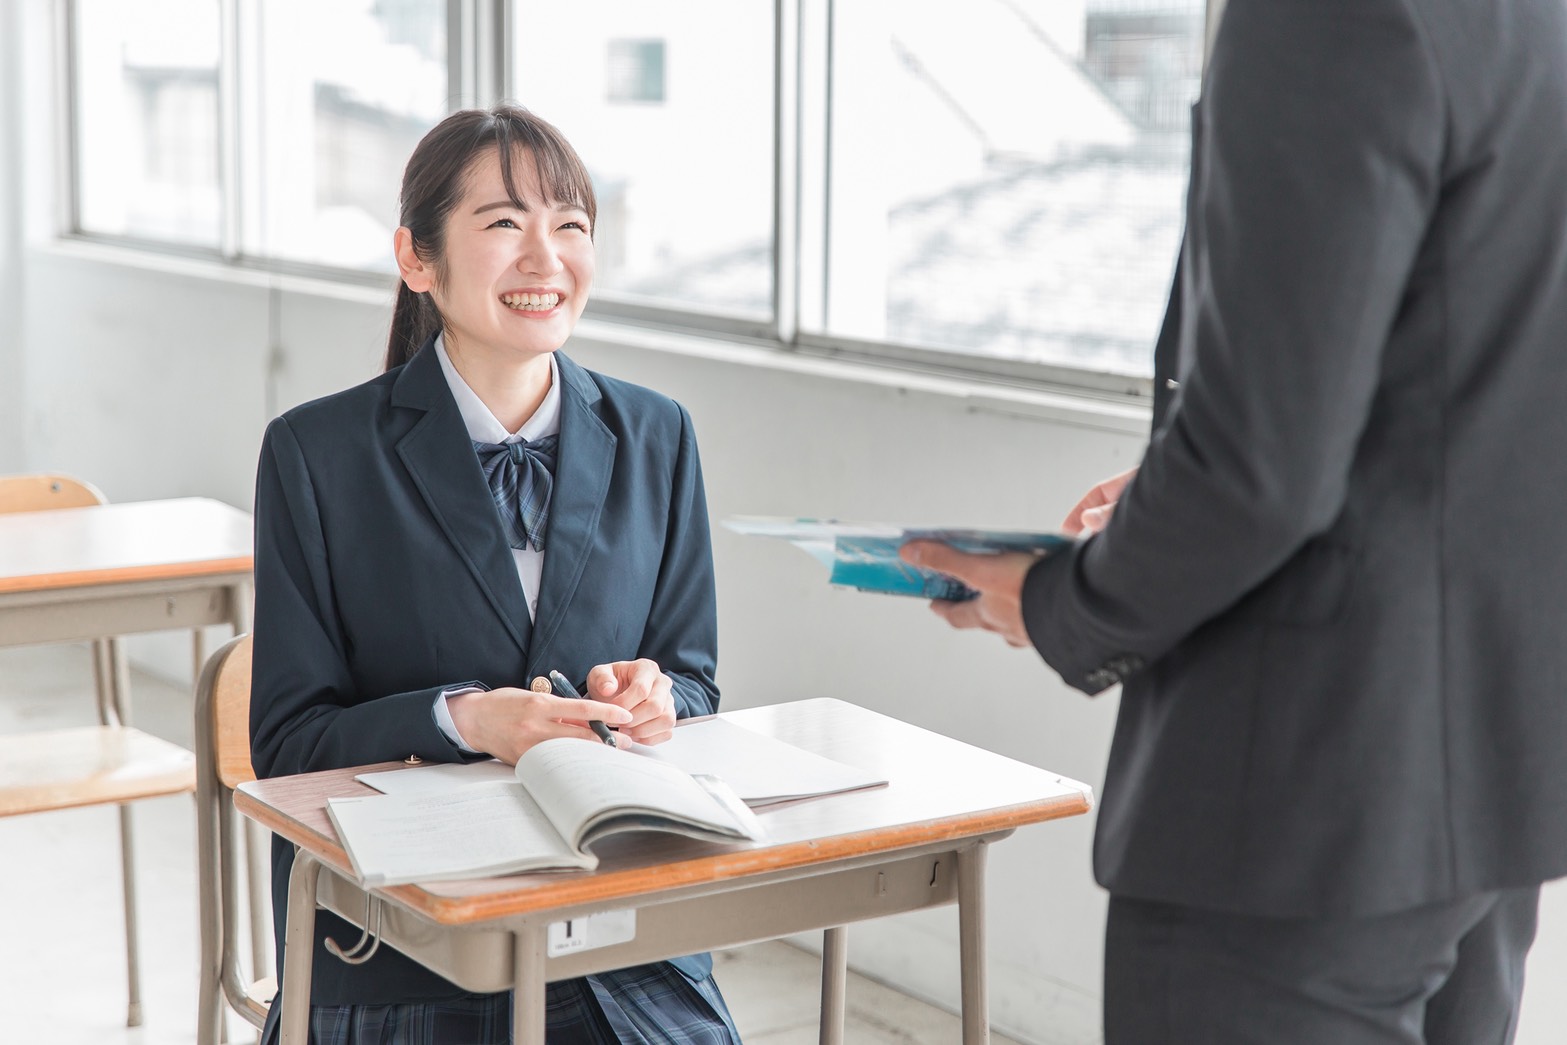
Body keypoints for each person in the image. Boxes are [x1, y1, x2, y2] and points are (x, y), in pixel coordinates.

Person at [901, 1, 1567, 1042]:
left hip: (1304, 797)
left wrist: (1060, 596)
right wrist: (1189, 476)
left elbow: (1263, 471)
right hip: (1486, 776)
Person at [250, 104, 743, 1044]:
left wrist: (656, 696)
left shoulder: (658, 433)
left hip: (617, 936)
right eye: (504, 223)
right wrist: (464, 718)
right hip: (400, 944)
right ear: (417, 259)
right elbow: (287, 742)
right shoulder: (315, 452)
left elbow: (695, 679)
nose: (544, 256)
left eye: (569, 225)